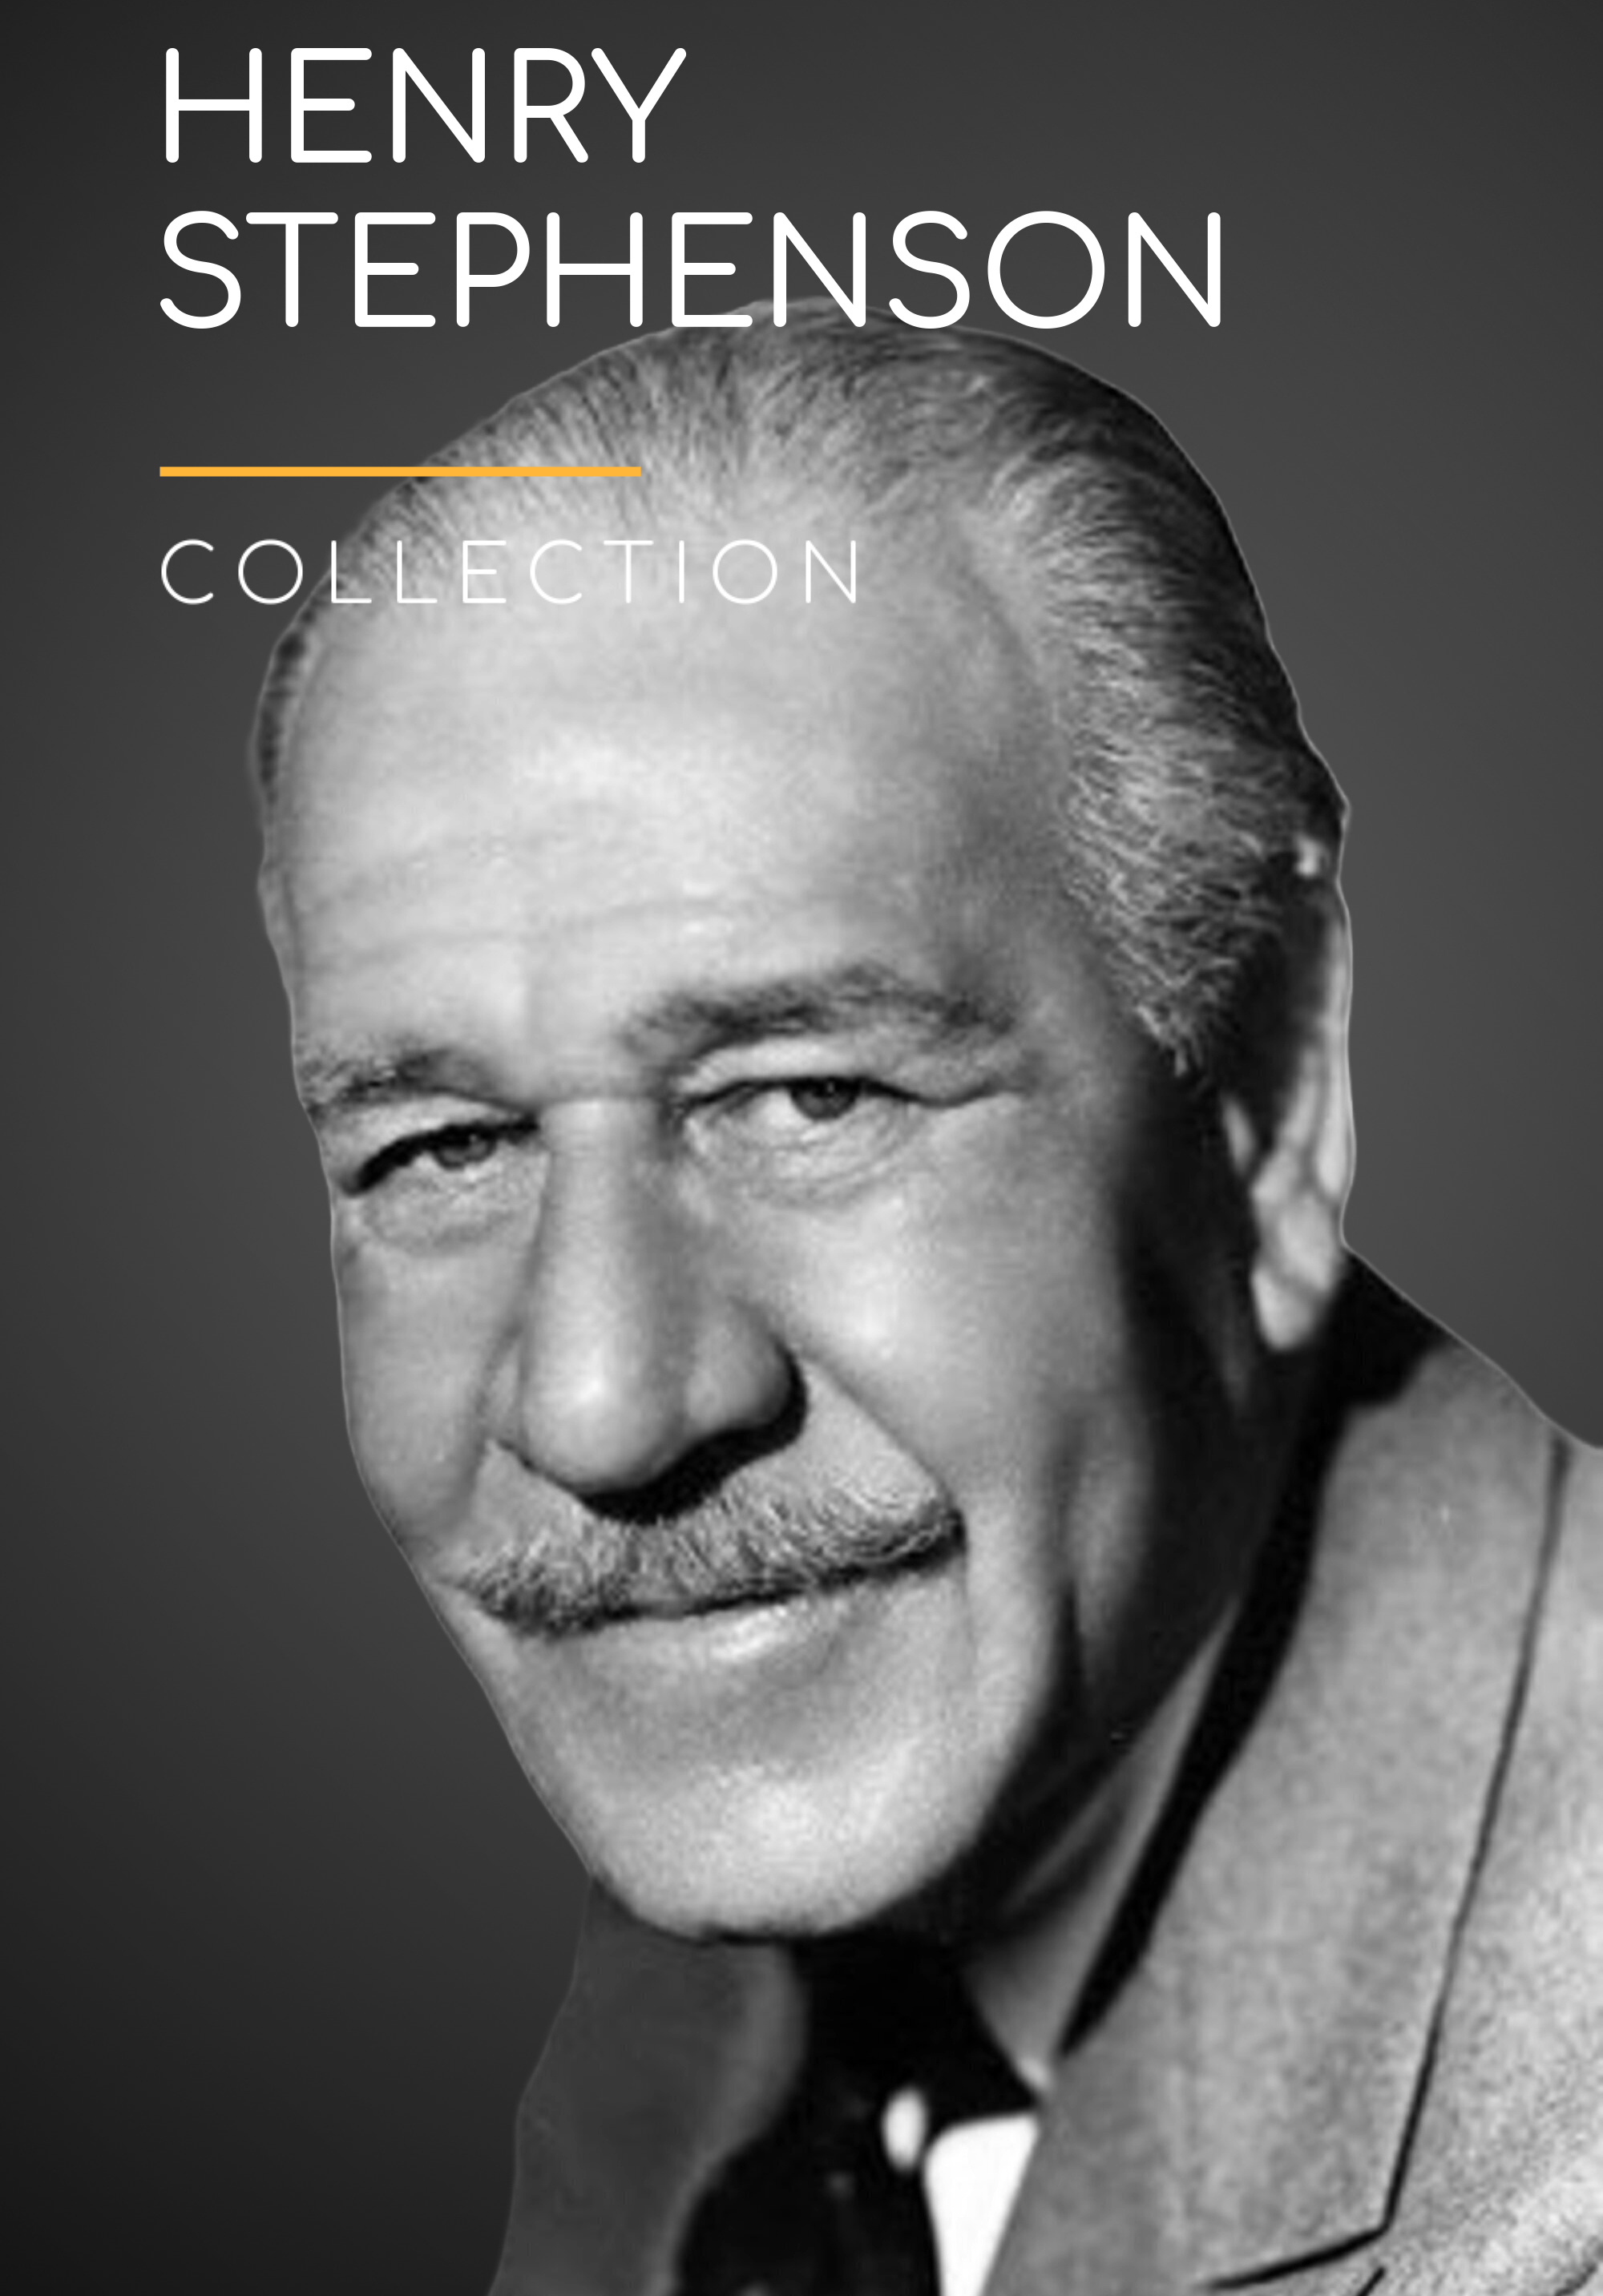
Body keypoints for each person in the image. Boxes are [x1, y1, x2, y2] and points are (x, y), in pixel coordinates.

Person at [253, 310, 1602, 2296]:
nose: (605, 1404)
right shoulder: (706, 2013)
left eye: (809, 1096)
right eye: (443, 1147)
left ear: (1265, 1094)